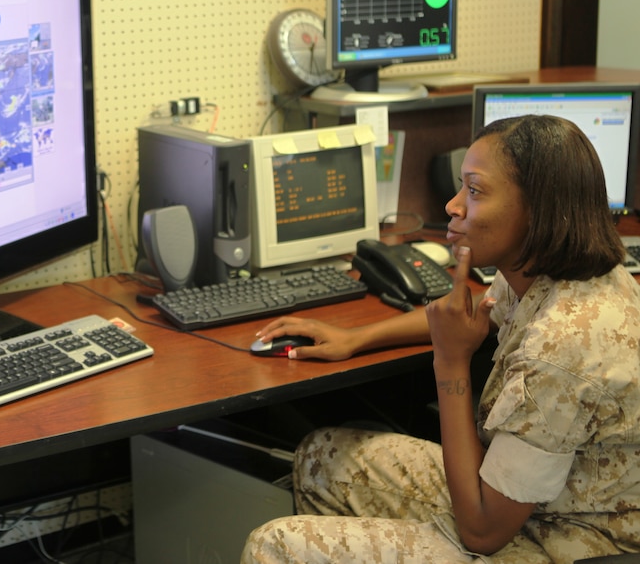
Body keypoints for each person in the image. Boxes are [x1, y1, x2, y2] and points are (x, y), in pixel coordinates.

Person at [242, 114, 640, 563]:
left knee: (272, 544)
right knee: (321, 457)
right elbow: (470, 315)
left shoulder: (563, 349)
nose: (453, 205)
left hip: (563, 541)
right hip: (526, 501)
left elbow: (482, 532)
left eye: (474, 190)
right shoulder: (560, 268)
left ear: (537, 210)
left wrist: (450, 363)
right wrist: (356, 337)